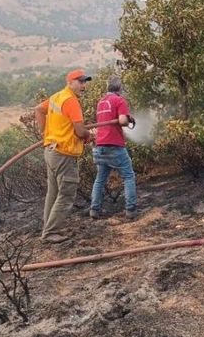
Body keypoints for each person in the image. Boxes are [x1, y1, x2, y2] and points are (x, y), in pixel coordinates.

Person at [35, 69, 93, 243]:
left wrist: (46, 134)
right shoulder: (71, 101)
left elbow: (38, 109)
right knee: (66, 193)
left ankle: (48, 228)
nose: (83, 85)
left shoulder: (57, 97)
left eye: (84, 82)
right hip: (64, 154)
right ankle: (51, 232)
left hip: (51, 151)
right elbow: (81, 131)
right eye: (80, 82)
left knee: (53, 193)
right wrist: (90, 136)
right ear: (69, 82)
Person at [89, 76, 137, 220]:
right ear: (119, 88)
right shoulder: (119, 100)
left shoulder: (101, 102)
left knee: (100, 180)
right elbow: (122, 121)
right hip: (114, 146)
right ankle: (130, 211)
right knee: (128, 176)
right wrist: (128, 118)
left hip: (100, 146)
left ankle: (94, 210)